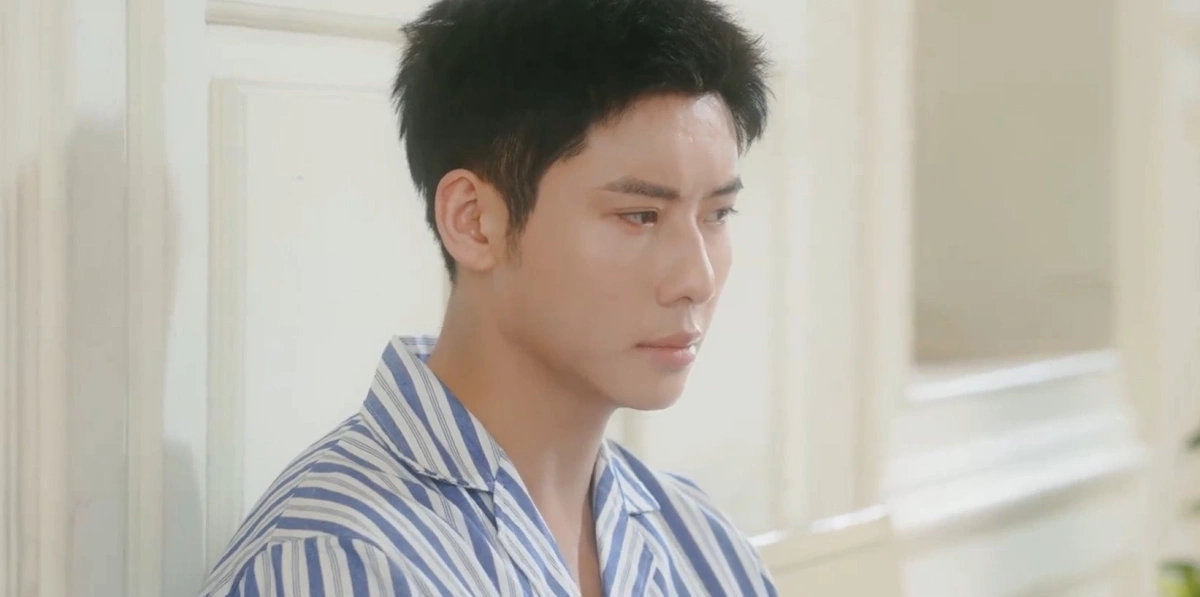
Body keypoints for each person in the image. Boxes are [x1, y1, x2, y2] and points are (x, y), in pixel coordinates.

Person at [198, 0, 774, 594]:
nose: (697, 279)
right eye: (640, 216)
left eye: (717, 214)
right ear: (473, 221)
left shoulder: (705, 547)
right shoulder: (339, 562)